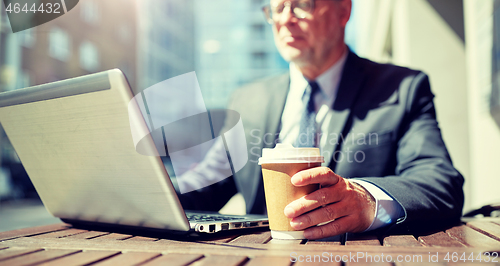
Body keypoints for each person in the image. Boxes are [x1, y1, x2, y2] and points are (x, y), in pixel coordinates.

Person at [179, 0, 464, 239]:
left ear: (343, 11)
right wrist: (148, 192)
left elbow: (438, 183)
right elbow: (206, 182)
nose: (286, 20)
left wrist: (368, 201)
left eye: (302, 5)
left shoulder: (402, 88)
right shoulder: (248, 99)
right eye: (277, 8)